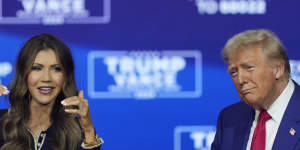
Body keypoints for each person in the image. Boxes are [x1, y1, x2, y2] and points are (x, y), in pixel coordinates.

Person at [0, 34, 103, 150]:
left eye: (56, 69)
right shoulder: (3, 123)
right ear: (24, 74)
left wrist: (88, 130)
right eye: (37, 68)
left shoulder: (76, 131)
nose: (46, 78)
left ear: (65, 76)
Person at [211, 29, 300, 150]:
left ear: (278, 69)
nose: (240, 80)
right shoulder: (229, 119)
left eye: (249, 67)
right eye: (234, 72)